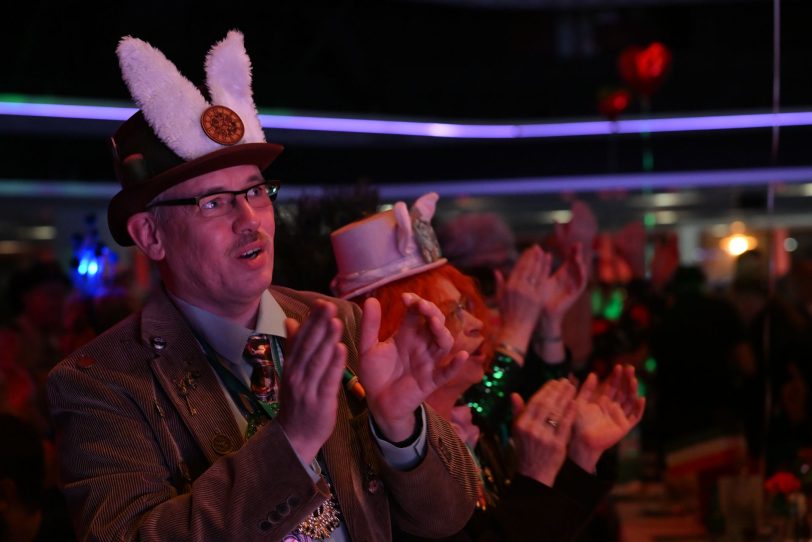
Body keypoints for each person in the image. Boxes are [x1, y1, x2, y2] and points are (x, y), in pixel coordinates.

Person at [47, 31, 479, 542]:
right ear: (151, 235)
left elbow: (450, 517)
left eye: (255, 191)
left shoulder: (343, 323)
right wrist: (291, 441)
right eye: (214, 202)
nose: (250, 220)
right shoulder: (102, 381)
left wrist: (399, 427)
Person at [330, 193, 646, 541]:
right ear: (395, 335)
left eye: (467, 305)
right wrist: (539, 475)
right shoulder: (396, 464)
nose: (479, 323)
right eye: (451, 313)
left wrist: (582, 454)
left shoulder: (471, 426)